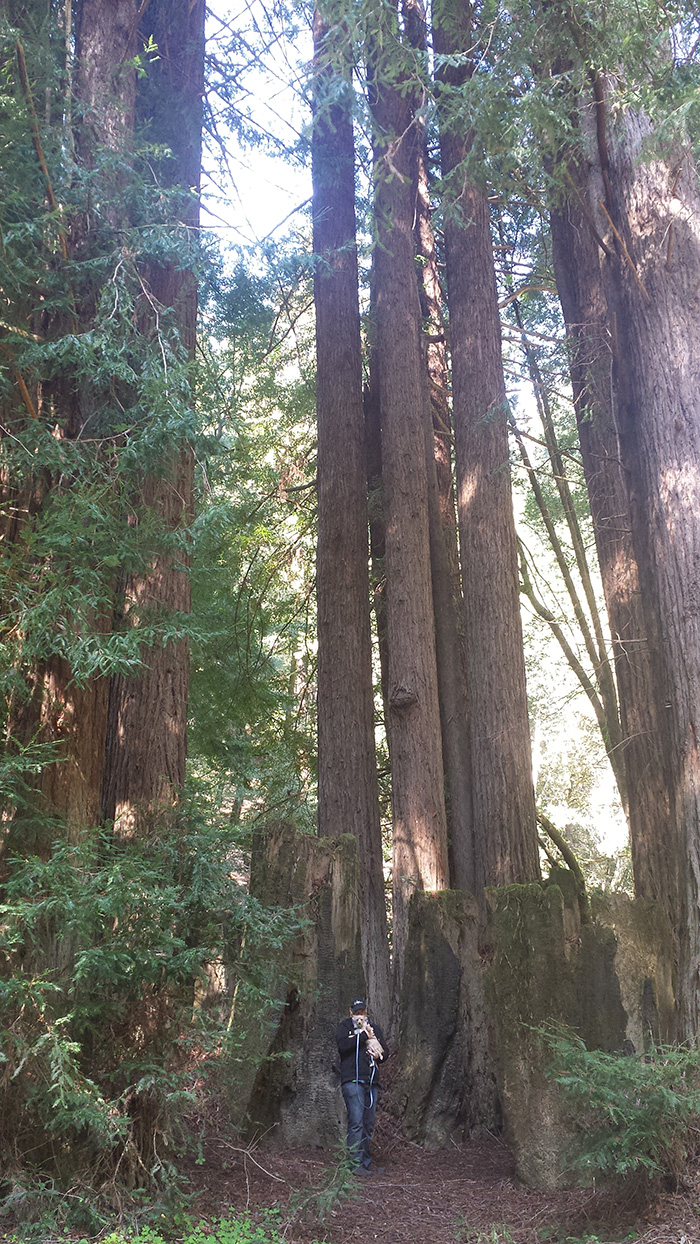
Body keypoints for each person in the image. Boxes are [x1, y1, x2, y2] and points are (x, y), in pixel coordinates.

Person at [336, 997, 386, 1174]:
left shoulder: (375, 1029)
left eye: (362, 1013)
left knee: (368, 1122)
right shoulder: (345, 1028)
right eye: (356, 1013)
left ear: (366, 1012)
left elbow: (384, 1054)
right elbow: (343, 1046)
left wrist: (377, 1053)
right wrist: (363, 1035)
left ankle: (366, 1160)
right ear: (351, 1012)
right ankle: (354, 1164)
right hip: (353, 1081)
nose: (359, 1016)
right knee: (356, 1121)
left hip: (371, 1081)